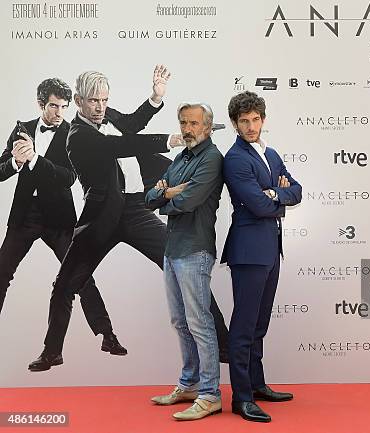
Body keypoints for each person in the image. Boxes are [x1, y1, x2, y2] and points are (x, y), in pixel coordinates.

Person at [28, 66, 229, 371]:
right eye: (94, 101)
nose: (101, 107)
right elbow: (119, 146)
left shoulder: (108, 115)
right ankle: (52, 351)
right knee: (65, 285)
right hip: (100, 218)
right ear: (79, 101)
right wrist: (173, 138)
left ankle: (224, 345)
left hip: (136, 210)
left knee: (185, 264)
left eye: (105, 100)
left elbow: (132, 124)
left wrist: (155, 97)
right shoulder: (77, 136)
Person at [0, 78, 125, 357]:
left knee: (81, 277)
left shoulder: (74, 133)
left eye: (64, 107)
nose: (59, 113)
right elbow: (1, 170)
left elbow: (68, 178)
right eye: (54, 106)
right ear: (41, 104)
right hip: (25, 216)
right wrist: (15, 162)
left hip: (59, 218)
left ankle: (107, 334)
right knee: (1, 273)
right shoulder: (22, 129)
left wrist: (34, 160)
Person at [222, 91, 302, 422]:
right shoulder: (236, 159)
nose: (251, 126)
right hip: (248, 250)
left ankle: (256, 385)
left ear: (263, 120)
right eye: (244, 121)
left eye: (256, 120)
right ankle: (241, 398)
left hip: (270, 248)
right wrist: (275, 197)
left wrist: (276, 194)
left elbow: (296, 190)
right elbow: (256, 204)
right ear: (235, 124)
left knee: (260, 323)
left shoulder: (270, 153)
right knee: (244, 325)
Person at [146, 103, 224, 421]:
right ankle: (189, 385)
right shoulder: (181, 158)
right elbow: (149, 198)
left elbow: (189, 201)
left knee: (200, 324)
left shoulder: (212, 159)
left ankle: (210, 394)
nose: (187, 128)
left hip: (195, 251)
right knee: (180, 322)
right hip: (172, 249)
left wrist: (167, 194)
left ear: (207, 126)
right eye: (183, 122)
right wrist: (166, 193)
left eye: (193, 123)